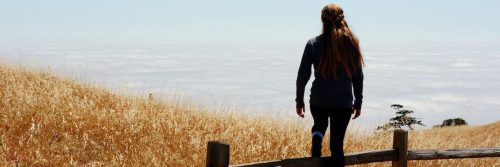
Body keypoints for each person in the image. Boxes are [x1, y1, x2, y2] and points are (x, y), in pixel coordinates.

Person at [295, 3, 364, 167]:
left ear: (322, 21)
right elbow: (358, 77)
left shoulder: (313, 43)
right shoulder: (352, 44)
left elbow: (302, 75)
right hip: (343, 103)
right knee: (337, 147)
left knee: (319, 125)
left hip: (319, 100)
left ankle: (317, 137)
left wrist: (299, 101)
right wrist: (358, 102)